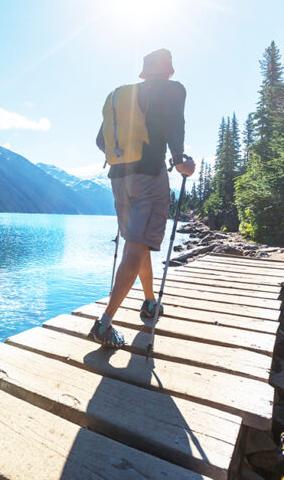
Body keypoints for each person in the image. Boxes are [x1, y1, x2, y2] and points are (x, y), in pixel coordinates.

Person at [91, 48, 195, 348]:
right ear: (170, 71)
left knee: (138, 244)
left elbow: (101, 140)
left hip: (119, 179)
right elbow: (175, 124)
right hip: (149, 177)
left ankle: (150, 302)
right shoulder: (172, 90)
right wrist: (179, 159)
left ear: (144, 72)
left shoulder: (122, 97)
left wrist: (123, 157)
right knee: (135, 249)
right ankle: (104, 323)